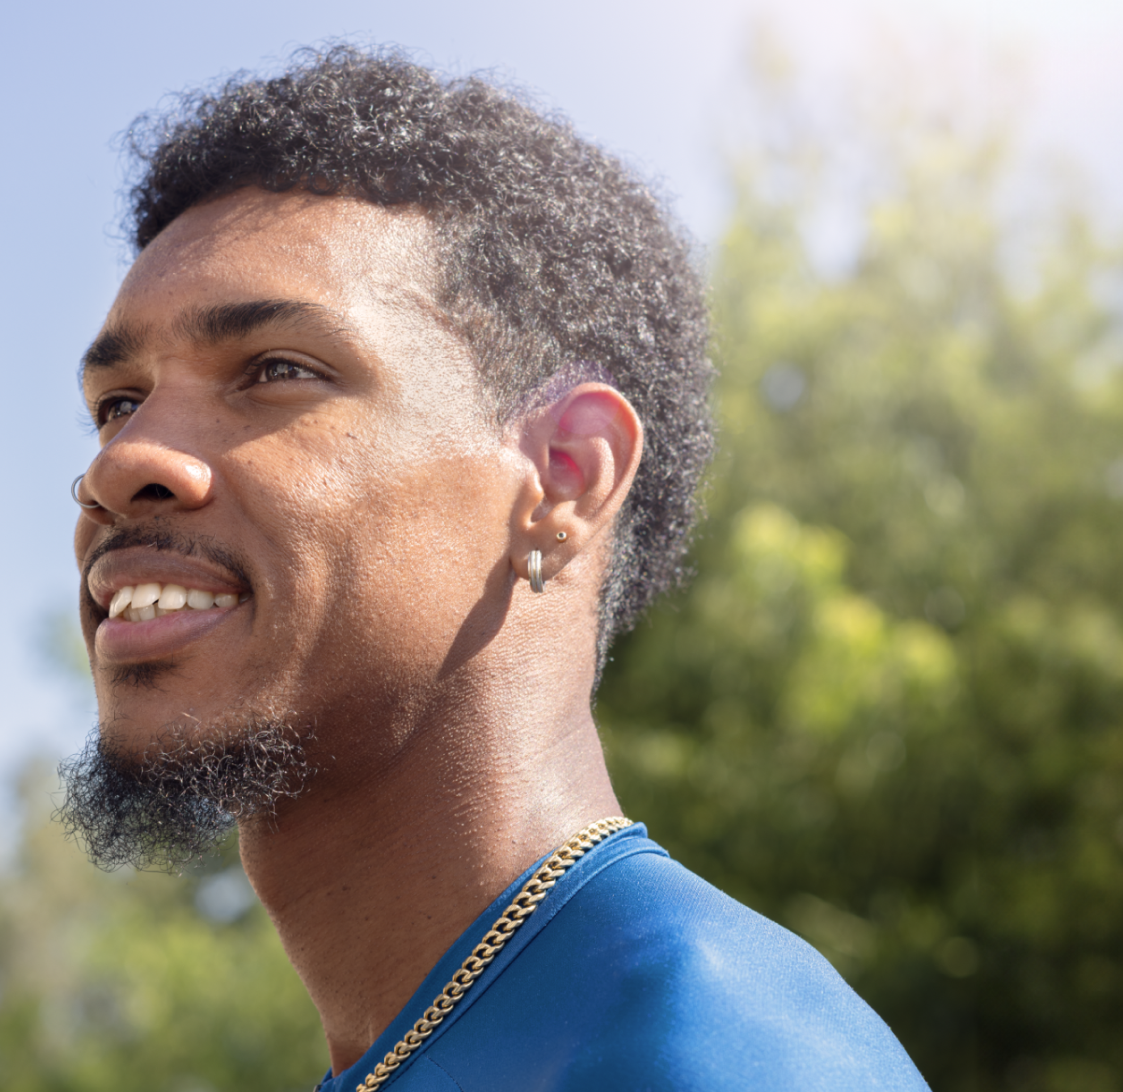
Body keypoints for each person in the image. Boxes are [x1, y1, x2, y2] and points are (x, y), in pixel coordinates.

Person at [58, 45, 929, 1092]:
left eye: (276, 371)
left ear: (564, 477)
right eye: (117, 402)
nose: (118, 464)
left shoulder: (712, 1053)